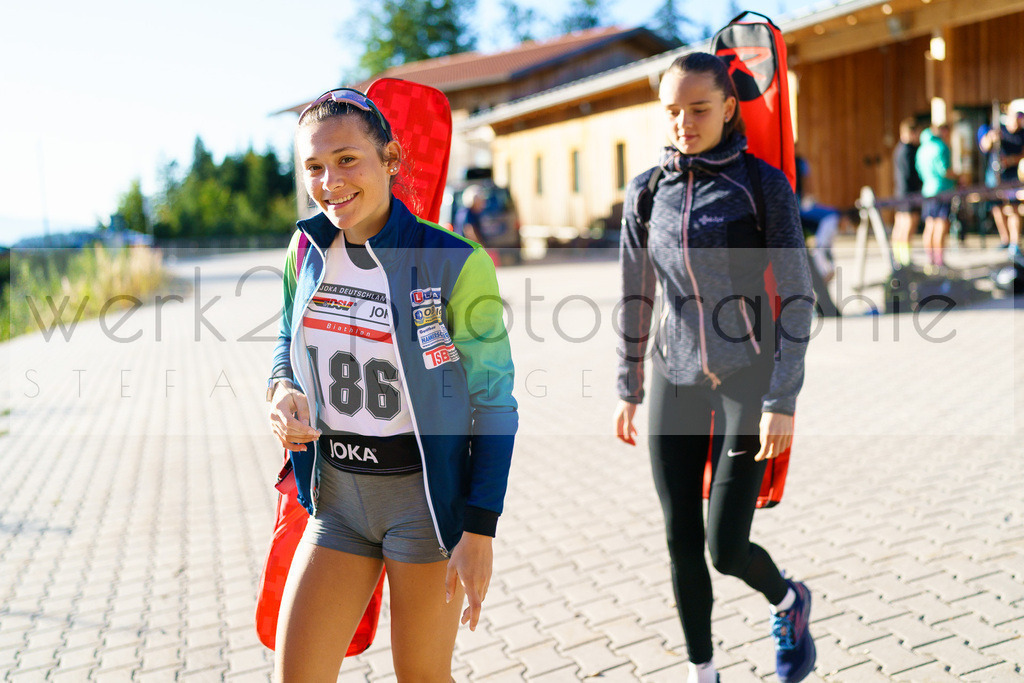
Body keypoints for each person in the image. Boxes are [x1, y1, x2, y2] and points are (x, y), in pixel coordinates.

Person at [266, 88, 517, 681]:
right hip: (337, 499)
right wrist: (280, 389)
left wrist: (480, 529)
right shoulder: (304, 250)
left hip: (425, 507)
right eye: (315, 167)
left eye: (348, 159)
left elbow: (495, 406)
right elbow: (284, 340)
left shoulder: (455, 260)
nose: (330, 181)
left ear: (391, 159)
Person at [614, 53, 816, 683]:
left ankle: (789, 601)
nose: (684, 122)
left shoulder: (761, 186)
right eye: (672, 111)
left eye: (699, 109)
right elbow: (635, 291)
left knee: (724, 549)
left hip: (747, 383)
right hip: (674, 379)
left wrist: (783, 396)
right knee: (680, 539)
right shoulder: (648, 190)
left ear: (729, 107)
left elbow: (796, 292)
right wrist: (628, 385)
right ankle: (705, 673)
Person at [794, 154, 841, 316]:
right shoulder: (799, 161)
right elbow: (808, 185)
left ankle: (824, 304)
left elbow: (807, 185)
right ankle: (825, 304)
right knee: (810, 259)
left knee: (809, 258)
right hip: (797, 216)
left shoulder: (799, 162)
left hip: (795, 216)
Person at [979, 102, 1024, 257]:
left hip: (1012, 176)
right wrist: (991, 138)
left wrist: (1011, 160)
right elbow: (984, 146)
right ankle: (1005, 239)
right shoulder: (997, 129)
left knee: (1013, 208)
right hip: (995, 175)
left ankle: (1014, 242)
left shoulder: (1022, 134)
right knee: (997, 208)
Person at [915, 122, 956, 269]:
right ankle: (939, 261)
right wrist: (959, 177)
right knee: (941, 225)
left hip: (927, 190)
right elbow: (945, 171)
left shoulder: (921, 149)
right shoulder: (942, 147)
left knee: (930, 225)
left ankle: (930, 260)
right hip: (942, 190)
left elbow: (919, 170)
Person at [892, 118, 922, 266]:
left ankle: (899, 257)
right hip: (909, 193)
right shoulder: (907, 151)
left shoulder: (900, 149)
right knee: (907, 226)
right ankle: (903, 258)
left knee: (901, 225)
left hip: (902, 191)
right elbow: (910, 174)